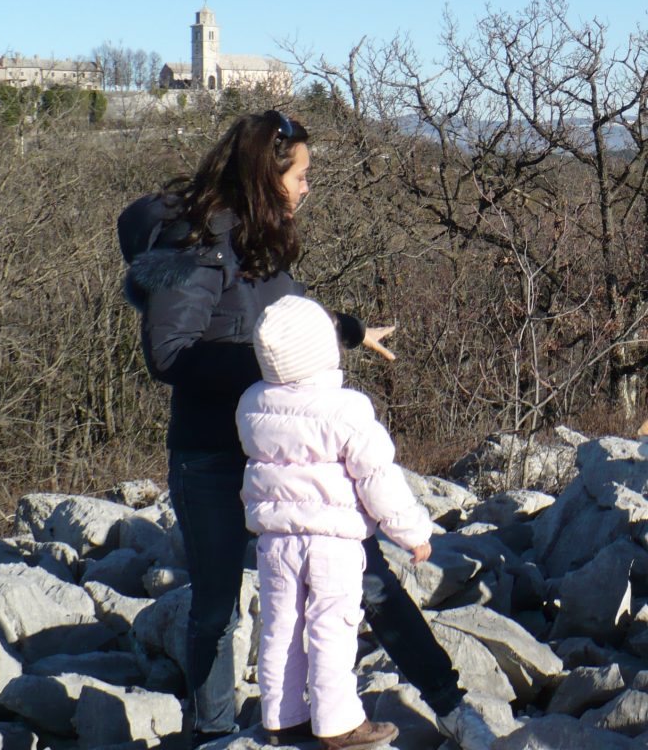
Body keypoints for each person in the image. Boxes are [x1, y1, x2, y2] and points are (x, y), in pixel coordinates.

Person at [122, 109, 493, 750]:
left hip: (286, 454)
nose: (307, 188)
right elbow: (169, 354)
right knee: (215, 606)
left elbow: (279, 323)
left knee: (368, 577)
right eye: (302, 175)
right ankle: (215, 736)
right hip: (213, 453)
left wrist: (345, 332)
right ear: (269, 175)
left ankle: (452, 705)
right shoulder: (195, 242)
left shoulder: (260, 234)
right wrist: (269, 375)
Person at [236, 294, 433, 750]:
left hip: (275, 540)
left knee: (280, 627)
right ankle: (338, 722)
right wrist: (413, 533)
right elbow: (377, 478)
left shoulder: (250, 404)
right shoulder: (347, 408)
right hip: (334, 541)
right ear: (321, 350)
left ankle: (283, 718)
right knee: (332, 626)